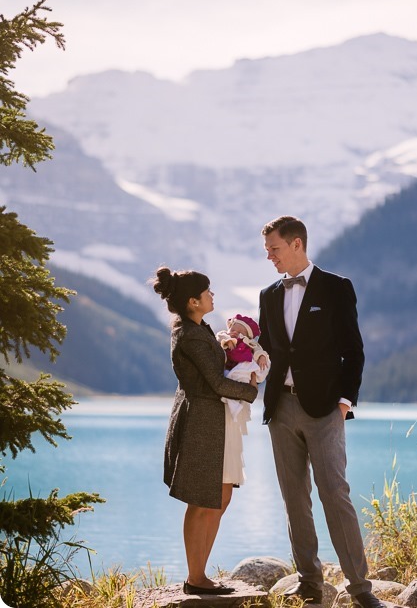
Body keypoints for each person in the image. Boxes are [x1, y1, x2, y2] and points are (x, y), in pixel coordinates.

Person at [258, 216, 386, 608]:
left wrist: (346, 400)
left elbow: (354, 348)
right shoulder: (268, 295)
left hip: (325, 409)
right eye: (266, 251)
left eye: (274, 249)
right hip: (281, 407)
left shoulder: (336, 287)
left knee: (334, 493)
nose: (270, 258)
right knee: (294, 498)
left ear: (297, 244)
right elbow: (271, 349)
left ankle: (361, 589)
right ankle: (310, 582)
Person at [152, 266, 258, 596]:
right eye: (208, 292)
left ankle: (200, 574)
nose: (213, 296)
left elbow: (216, 371)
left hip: (214, 419)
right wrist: (252, 390)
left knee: (221, 496)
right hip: (200, 421)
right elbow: (214, 382)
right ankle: (195, 577)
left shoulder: (198, 327)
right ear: (193, 301)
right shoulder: (189, 335)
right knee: (201, 500)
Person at [216, 314, 270, 485]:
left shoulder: (249, 344)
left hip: (242, 371)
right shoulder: (224, 336)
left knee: (248, 371)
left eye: (240, 331)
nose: (235, 333)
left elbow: (260, 350)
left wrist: (261, 357)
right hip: (228, 372)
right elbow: (220, 338)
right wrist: (227, 340)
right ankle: (233, 398)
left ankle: (237, 400)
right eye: (233, 329)